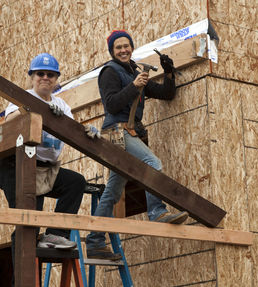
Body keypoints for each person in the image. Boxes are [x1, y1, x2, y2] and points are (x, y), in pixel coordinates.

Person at [85, 30, 189, 260]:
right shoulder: (109, 72)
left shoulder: (134, 70)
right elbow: (111, 105)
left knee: (112, 191)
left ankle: (94, 242)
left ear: (132, 47)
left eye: (126, 46)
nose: (123, 50)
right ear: (112, 51)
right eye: (118, 47)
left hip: (128, 131)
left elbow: (166, 94)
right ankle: (157, 211)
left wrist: (169, 71)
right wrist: (134, 86)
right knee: (152, 163)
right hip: (116, 131)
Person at [0, 53, 86, 285]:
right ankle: (23, 281)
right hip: (18, 167)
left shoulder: (62, 106)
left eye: (50, 74)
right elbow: (9, 122)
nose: (45, 78)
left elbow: (74, 132)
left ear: (56, 79)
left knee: (75, 183)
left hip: (46, 169)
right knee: (28, 224)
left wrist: (85, 132)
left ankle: (57, 234)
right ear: (32, 77)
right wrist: (36, 111)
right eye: (40, 74)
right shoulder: (23, 98)